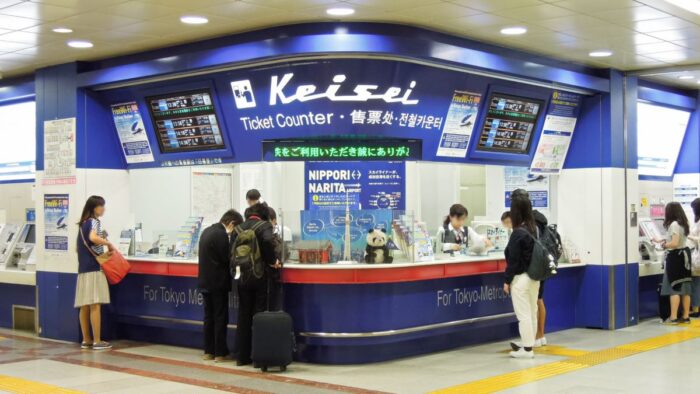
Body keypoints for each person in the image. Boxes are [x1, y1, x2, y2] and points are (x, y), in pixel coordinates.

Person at [234, 203, 280, 366]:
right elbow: (268, 241)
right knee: (259, 314)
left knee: (243, 314)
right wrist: (273, 260)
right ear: (264, 214)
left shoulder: (238, 228)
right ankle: (258, 356)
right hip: (260, 276)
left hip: (242, 276)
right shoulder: (264, 226)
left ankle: (241, 356)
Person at [198, 209, 243, 362]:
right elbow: (227, 258)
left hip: (204, 281)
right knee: (220, 317)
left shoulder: (206, 231)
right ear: (231, 224)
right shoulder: (221, 235)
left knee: (208, 317)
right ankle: (220, 353)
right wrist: (230, 239)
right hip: (218, 283)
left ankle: (208, 351)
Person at [503, 192, 539, 359]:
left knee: (523, 314)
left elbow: (513, 261)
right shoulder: (533, 228)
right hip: (533, 277)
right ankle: (528, 344)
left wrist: (507, 281)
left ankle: (527, 350)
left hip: (521, 279)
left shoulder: (518, 233)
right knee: (532, 311)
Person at [75, 195, 114, 351]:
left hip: (83, 269)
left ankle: (86, 340)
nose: (103, 209)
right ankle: (97, 341)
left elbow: (81, 245)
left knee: (85, 305)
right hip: (94, 268)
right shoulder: (94, 222)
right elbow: (93, 238)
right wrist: (107, 242)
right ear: (94, 208)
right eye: (101, 206)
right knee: (95, 305)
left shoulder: (82, 223)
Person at [655, 202, 693, 324]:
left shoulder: (673, 224)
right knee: (685, 288)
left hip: (676, 257)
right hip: (684, 256)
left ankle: (673, 317)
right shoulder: (683, 223)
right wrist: (663, 239)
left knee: (674, 287)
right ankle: (686, 316)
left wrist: (664, 245)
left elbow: (675, 243)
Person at [687, 198, 700, 317]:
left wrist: (689, 237)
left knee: (695, 283)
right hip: (696, 253)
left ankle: (696, 310)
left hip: (698, 257)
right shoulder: (697, 221)